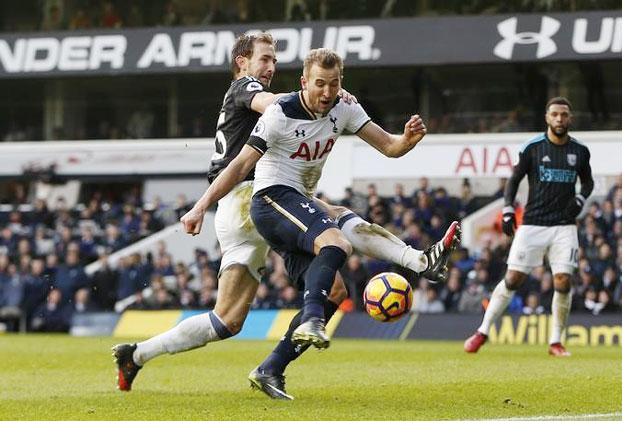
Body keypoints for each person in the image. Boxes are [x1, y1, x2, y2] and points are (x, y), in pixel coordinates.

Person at [113, 35, 459, 393]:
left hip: (239, 208)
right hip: (249, 195)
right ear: (241, 63)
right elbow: (276, 103)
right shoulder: (246, 88)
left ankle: (137, 354)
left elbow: (382, 142)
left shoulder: (291, 103)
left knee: (230, 319)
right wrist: (329, 94)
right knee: (336, 223)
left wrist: (328, 96)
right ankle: (418, 262)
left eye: (273, 60)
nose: (270, 67)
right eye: (263, 59)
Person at [464, 97, 593, 357]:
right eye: (555, 114)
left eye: (564, 115)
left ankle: (556, 342)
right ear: (547, 117)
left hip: (564, 227)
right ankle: (482, 331)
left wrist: (579, 199)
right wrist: (509, 209)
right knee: (512, 279)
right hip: (532, 223)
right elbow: (513, 181)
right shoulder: (532, 147)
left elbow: (588, 182)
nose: (559, 119)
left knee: (563, 281)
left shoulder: (580, 151)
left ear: (570, 118)